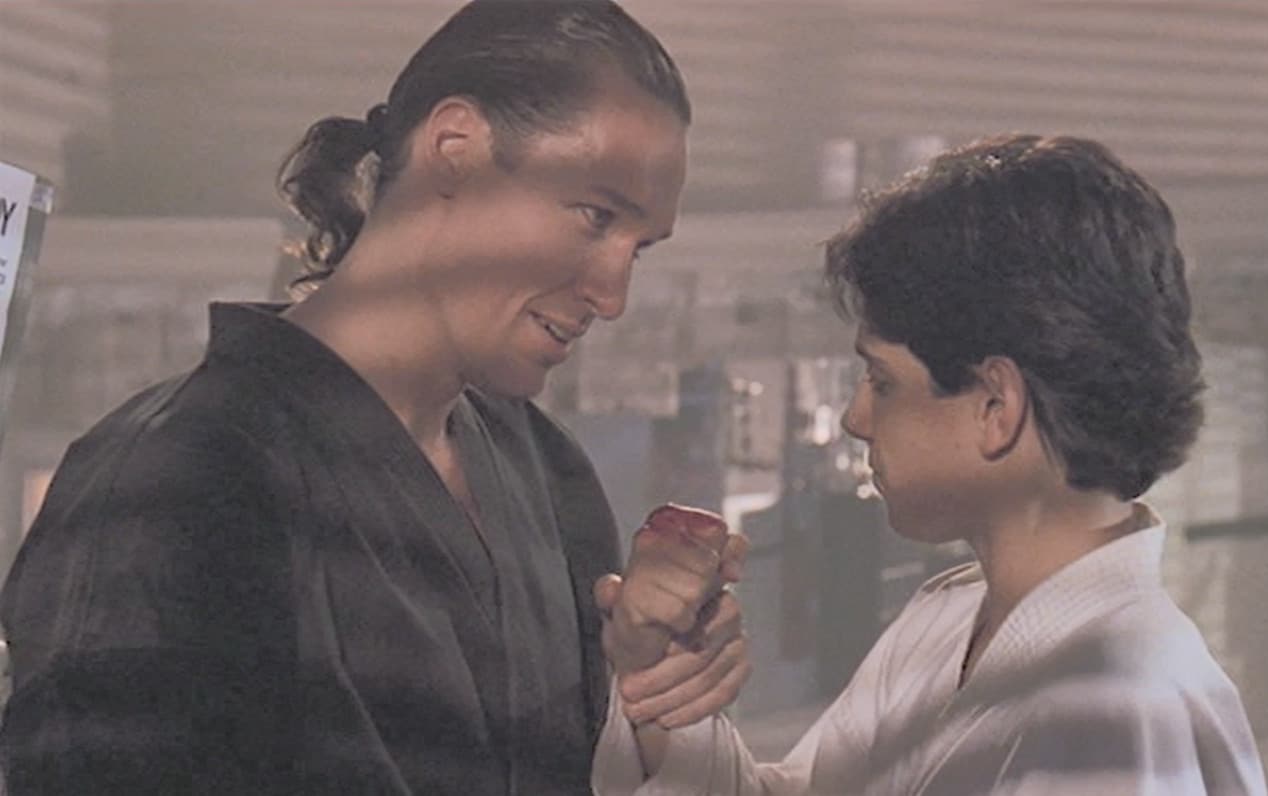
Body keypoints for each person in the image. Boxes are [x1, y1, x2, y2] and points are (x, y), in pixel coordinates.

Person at [0, 2, 747, 794]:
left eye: (640, 249)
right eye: (595, 216)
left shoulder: (548, 472)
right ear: (456, 150)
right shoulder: (176, 478)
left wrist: (648, 695)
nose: (612, 294)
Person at [592, 134, 1268, 794]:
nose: (857, 418)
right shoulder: (952, 620)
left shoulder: (1112, 713)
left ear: (996, 406)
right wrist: (665, 676)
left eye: (883, 382)